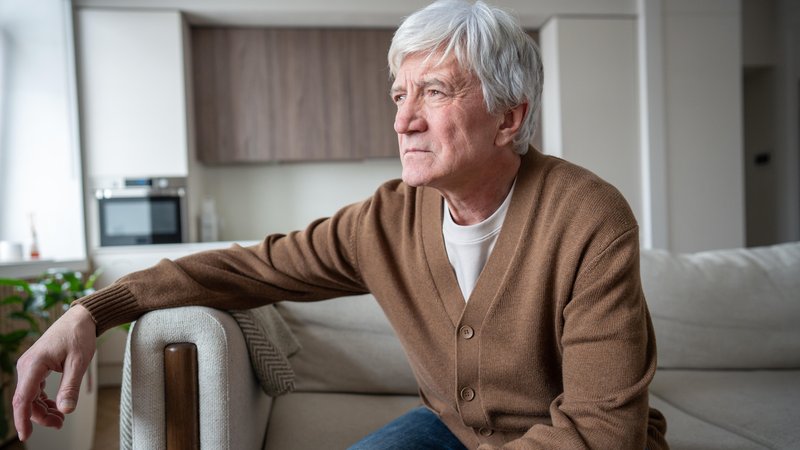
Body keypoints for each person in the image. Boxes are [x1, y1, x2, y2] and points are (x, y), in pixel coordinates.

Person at [13, 1, 669, 448]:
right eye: (399, 94)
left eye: (434, 91)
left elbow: (599, 432)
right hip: (448, 435)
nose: (402, 120)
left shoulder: (588, 217)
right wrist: (91, 312)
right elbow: (251, 268)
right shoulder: (387, 220)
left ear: (509, 117)